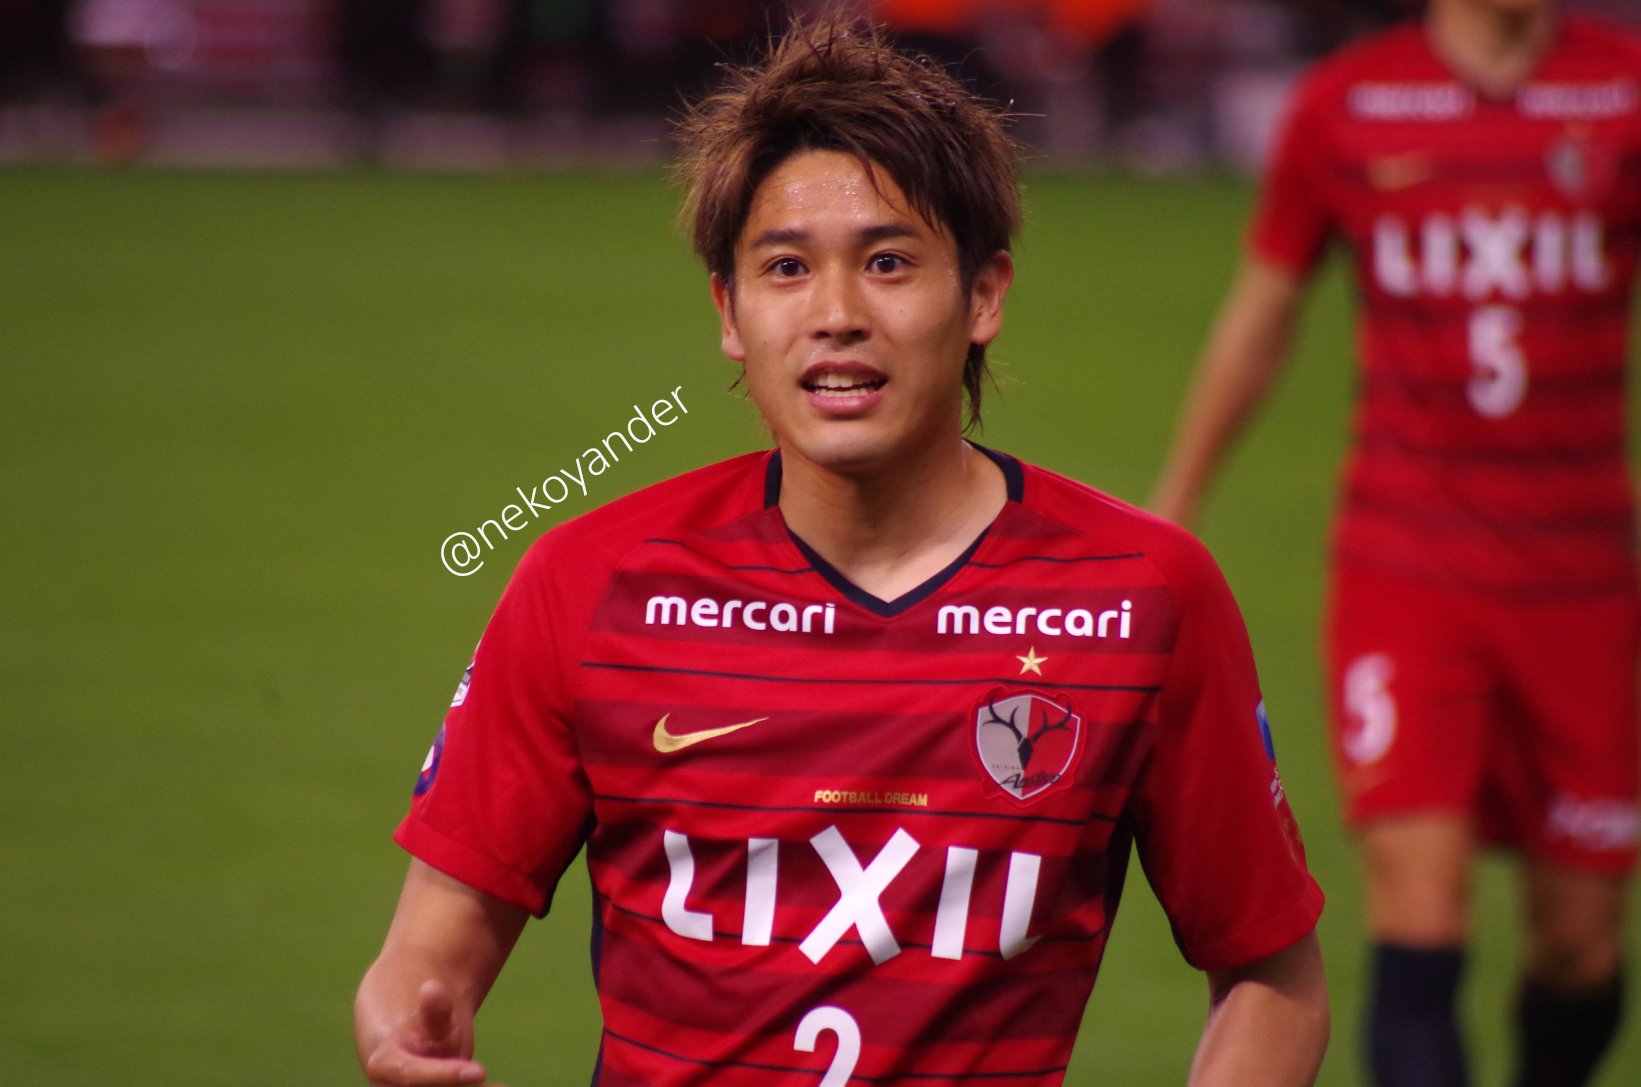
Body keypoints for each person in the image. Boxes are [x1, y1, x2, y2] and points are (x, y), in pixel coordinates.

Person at [355, 14, 1329, 1086]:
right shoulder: (589, 585)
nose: (836, 314)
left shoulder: (1143, 596)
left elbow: (1272, 975)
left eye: (888, 262)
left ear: (984, 294)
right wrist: (401, 1026)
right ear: (730, 312)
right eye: (785, 267)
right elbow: (424, 956)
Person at [1149, 1, 1640, 1084]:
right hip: (1406, 563)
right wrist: (1173, 507)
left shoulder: (1623, 91)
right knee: (1420, 908)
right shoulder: (1348, 104)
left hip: (1584, 578)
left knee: (1582, 944)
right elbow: (1263, 312)